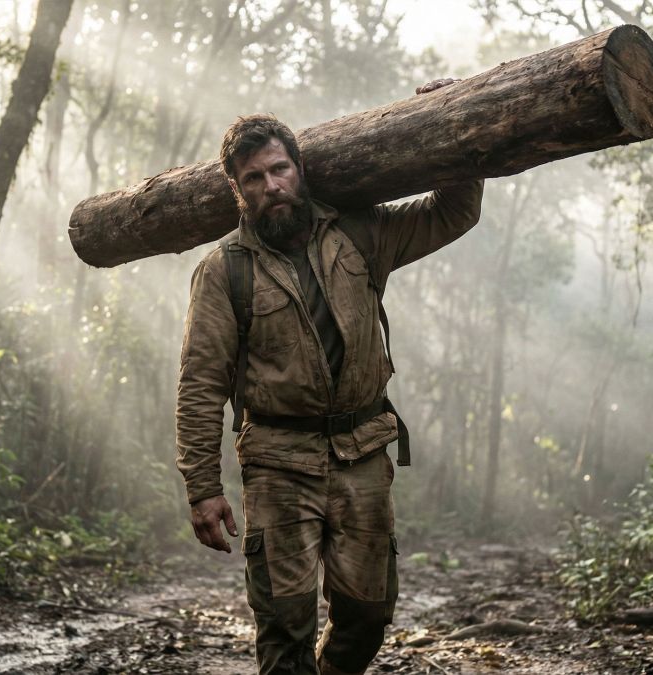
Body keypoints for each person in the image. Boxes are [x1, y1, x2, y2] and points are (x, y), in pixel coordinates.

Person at [176, 81, 483, 675]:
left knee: (368, 614)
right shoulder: (223, 271)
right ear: (239, 193)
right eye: (254, 180)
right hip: (277, 460)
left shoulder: (360, 232)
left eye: (279, 169)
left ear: (299, 167)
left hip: (363, 451)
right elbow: (200, 383)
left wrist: (449, 125)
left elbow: (454, 212)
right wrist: (202, 486)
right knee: (285, 624)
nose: (272, 187)